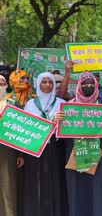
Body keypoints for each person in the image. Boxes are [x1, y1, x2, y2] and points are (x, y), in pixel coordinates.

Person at [61, 71, 102, 216]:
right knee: (77, 185)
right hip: (75, 151)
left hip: (99, 153)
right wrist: (58, 120)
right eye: (85, 83)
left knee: (98, 186)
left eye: (91, 83)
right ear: (79, 85)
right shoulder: (69, 106)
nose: (89, 85)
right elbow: (61, 132)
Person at [19, 72, 67, 216]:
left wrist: (58, 124)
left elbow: (68, 127)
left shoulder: (60, 103)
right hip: (36, 148)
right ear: (38, 84)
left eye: (50, 82)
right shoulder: (30, 104)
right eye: (44, 82)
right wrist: (50, 121)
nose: (47, 85)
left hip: (56, 148)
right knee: (37, 180)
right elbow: (26, 129)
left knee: (56, 180)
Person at [0, 76, 17, 216]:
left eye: (2, 83)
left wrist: (21, 154)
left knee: (7, 185)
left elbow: (22, 129)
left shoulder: (13, 103)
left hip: (7, 149)